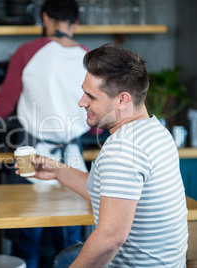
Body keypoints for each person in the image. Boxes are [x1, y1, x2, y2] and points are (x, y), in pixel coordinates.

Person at [17, 43, 189, 267]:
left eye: (91, 97)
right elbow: (112, 195)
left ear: (122, 100)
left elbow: (110, 238)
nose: (81, 102)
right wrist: (57, 170)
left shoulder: (123, 149)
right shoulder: (154, 131)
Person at [0, 0, 91, 266]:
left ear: (45, 18)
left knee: (27, 246)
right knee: (71, 247)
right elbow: (97, 122)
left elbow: (1, 109)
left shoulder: (27, 51)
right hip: (73, 161)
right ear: (76, 24)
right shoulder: (89, 58)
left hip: (31, 160)